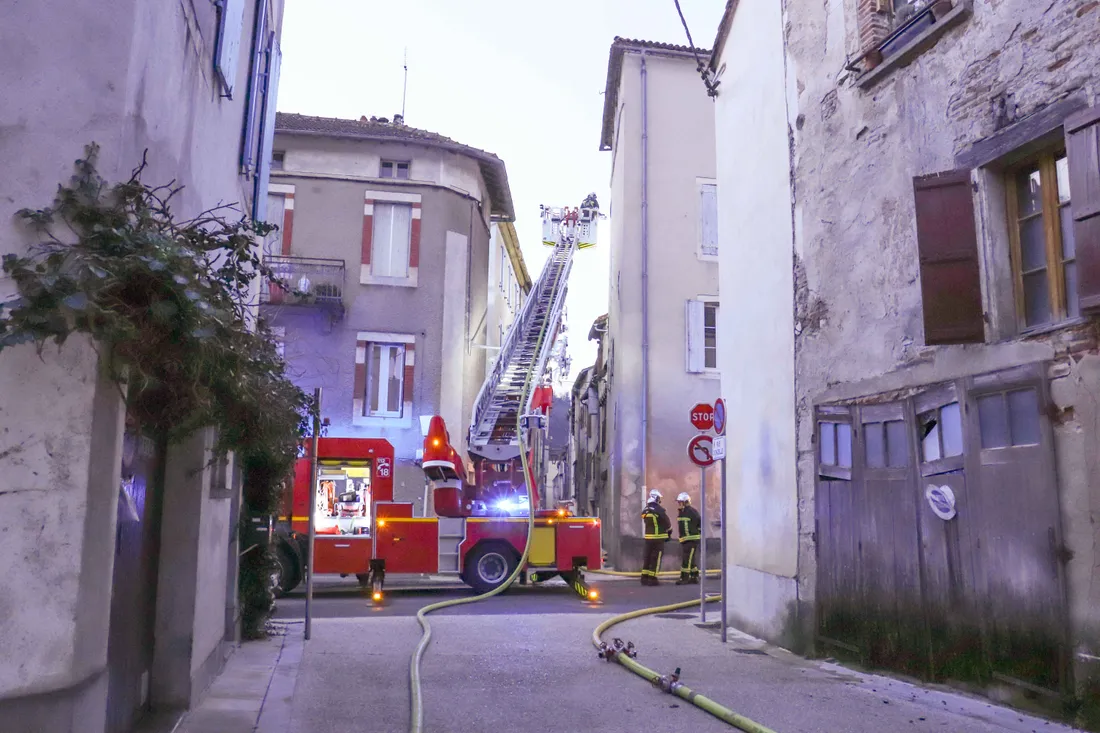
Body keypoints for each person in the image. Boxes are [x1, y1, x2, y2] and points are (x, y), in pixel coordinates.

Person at [640, 489, 673, 585]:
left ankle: (644, 577)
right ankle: (652, 578)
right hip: (658, 539)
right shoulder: (659, 510)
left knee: (647, 557)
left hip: (648, 538)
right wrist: (669, 533)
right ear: (656, 498)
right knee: (656, 558)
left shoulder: (645, 510)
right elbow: (667, 524)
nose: (660, 500)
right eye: (659, 498)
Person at [675, 492, 702, 585]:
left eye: (680, 502)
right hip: (686, 540)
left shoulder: (692, 512)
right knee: (691, 559)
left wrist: (696, 533)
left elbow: (700, 524)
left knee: (687, 559)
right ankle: (694, 576)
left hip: (691, 540)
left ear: (685, 502)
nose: (679, 504)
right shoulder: (682, 512)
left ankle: (684, 578)